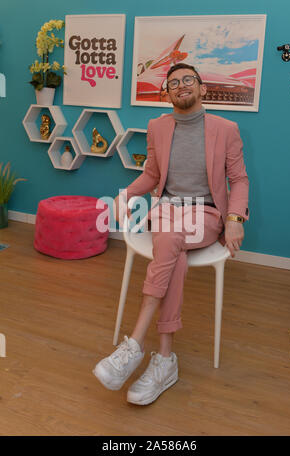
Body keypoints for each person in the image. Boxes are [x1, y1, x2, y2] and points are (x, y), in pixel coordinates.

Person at [93, 63, 249, 405]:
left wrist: (235, 218)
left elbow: (238, 179)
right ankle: (164, 360)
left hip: (205, 213)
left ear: (202, 88)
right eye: (174, 82)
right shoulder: (157, 127)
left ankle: (135, 343)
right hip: (166, 211)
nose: (181, 85)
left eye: (188, 80)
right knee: (173, 246)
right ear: (167, 93)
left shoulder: (226, 129)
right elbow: (151, 174)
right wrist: (126, 195)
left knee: (172, 239)